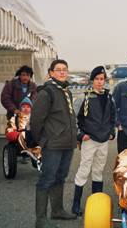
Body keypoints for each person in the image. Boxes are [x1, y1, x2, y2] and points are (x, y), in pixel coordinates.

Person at [30, 59, 77, 228]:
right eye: (58, 70)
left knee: (60, 177)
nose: (62, 72)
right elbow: (36, 121)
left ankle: (57, 210)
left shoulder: (67, 91)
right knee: (46, 179)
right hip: (52, 145)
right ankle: (40, 219)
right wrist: (43, 140)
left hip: (67, 144)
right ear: (51, 73)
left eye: (65, 69)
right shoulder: (46, 92)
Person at [71, 66, 116, 216]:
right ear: (92, 80)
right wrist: (80, 134)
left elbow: (112, 116)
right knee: (84, 170)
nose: (99, 82)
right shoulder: (84, 97)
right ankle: (75, 204)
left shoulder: (109, 97)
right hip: (89, 139)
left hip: (103, 140)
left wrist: (111, 132)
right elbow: (73, 119)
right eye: (96, 79)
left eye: (102, 79)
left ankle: (97, 204)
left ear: (105, 80)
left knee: (98, 171)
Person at [5, 97, 42, 162]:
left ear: (31, 108)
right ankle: (30, 150)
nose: (26, 109)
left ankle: (38, 151)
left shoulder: (35, 117)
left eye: (28, 107)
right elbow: (10, 128)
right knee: (22, 134)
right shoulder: (15, 118)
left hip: (34, 136)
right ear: (20, 108)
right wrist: (12, 132)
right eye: (23, 107)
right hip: (22, 138)